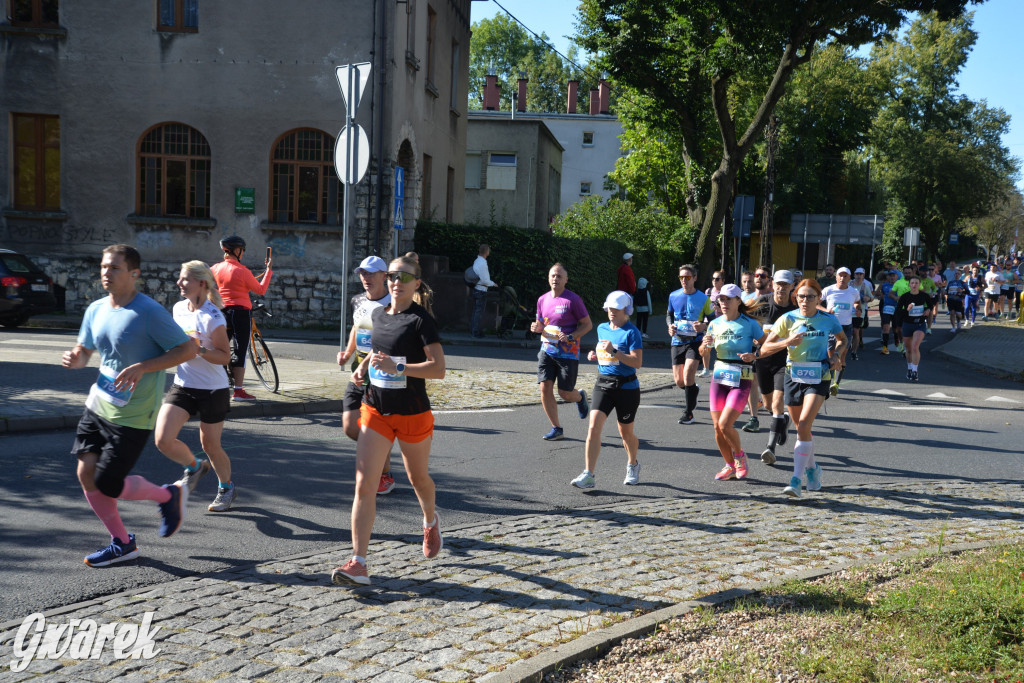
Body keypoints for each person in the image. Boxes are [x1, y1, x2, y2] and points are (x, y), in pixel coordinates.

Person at [62, 244, 197, 566]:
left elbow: (188, 349)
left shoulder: (148, 312)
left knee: (108, 483)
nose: (106, 273)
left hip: (133, 414)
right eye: (104, 267)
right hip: (98, 405)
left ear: (134, 273)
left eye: (114, 268)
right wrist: (75, 358)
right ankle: (122, 542)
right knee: (86, 474)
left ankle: (169, 495)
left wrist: (143, 367)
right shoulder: (96, 309)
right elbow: (85, 351)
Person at [331, 256, 446, 586]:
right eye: (393, 275)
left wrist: (400, 368)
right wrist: (363, 366)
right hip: (376, 409)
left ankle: (429, 521)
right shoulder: (379, 314)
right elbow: (376, 347)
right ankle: (358, 562)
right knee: (364, 484)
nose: (397, 281)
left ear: (416, 284)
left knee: (418, 478)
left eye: (404, 277)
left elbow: (438, 369)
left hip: (412, 412)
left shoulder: (420, 321)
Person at [153, 261, 235, 511]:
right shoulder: (178, 309)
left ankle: (226, 488)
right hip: (183, 385)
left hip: (213, 389)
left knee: (210, 445)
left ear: (201, 283)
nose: (179, 283)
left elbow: (225, 356)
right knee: (163, 439)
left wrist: (198, 349)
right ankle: (195, 467)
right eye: (180, 278)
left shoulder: (213, 317)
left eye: (185, 279)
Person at [758, 278, 845, 498]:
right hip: (793, 375)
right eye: (801, 297)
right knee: (801, 430)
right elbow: (766, 348)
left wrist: (836, 355)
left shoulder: (828, 319)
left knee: (805, 424)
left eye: (810, 297)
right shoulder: (787, 319)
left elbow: (843, 339)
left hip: (819, 375)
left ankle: (796, 480)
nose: (804, 301)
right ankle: (813, 469)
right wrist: (787, 342)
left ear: (819, 299)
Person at [570, 291, 643, 489]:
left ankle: (632, 464)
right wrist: (596, 355)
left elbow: (637, 362)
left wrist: (614, 352)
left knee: (625, 434)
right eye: (609, 308)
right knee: (593, 426)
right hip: (603, 383)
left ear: (626, 310)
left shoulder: (632, 332)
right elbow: (605, 352)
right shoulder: (602, 328)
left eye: (616, 308)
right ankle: (589, 474)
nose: (612, 312)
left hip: (627, 387)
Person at [337, 255, 396, 495]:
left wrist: (365, 364)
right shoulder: (358, 300)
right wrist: (348, 353)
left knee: (375, 428)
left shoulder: (393, 304)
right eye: (362, 273)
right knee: (351, 426)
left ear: (385, 276)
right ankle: (381, 453)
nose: (366, 278)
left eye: (371, 273)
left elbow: (386, 341)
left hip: (381, 375)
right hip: (358, 372)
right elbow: (356, 327)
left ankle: (383, 475)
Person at [700, 284, 767, 481]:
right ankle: (729, 465)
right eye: (721, 299)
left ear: (739, 300)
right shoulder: (714, 323)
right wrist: (704, 346)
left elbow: (767, 345)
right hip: (719, 376)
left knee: (725, 424)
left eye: (729, 299)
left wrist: (754, 355)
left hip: (742, 376)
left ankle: (739, 456)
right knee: (717, 427)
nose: (724, 302)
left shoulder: (749, 324)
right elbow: (703, 351)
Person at [530, 263, 593, 441]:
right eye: (552, 276)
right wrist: (537, 327)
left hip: (567, 353)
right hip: (547, 350)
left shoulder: (573, 300)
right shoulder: (542, 299)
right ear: (548, 278)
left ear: (566, 279)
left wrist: (572, 336)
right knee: (545, 388)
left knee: (565, 393)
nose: (555, 279)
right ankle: (556, 428)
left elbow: (587, 325)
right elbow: (542, 324)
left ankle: (579, 398)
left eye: (559, 276)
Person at [211, 235, 273, 401]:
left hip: (222, 311)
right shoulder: (242, 271)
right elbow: (260, 290)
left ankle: (218, 386)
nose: (243, 253)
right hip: (241, 312)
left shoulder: (215, 268)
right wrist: (268, 271)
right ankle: (238, 391)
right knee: (240, 349)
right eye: (242, 250)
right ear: (237, 251)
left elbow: (208, 285)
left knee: (221, 348)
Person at [754, 269, 797, 465]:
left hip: (785, 361)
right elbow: (745, 319)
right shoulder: (762, 303)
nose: (782, 288)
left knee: (779, 402)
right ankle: (784, 421)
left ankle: (770, 448)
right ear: (773, 284)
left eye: (786, 285)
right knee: (770, 405)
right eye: (779, 284)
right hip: (763, 360)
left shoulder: (796, 308)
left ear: (791, 287)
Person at [667, 264, 715, 425]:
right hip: (677, 341)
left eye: (687, 277)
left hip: (695, 342)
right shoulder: (673, 296)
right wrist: (670, 326)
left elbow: (713, 320)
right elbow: (669, 315)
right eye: (681, 277)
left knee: (688, 374)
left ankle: (688, 413)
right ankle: (693, 389)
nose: (684, 281)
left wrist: (703, 326)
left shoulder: (703, 298)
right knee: (679, 381)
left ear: (694, 278)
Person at [820, 267, 859, 395]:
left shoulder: (854, 291)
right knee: (830, 356)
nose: (842, 278)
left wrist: (857, 308)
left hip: (846, 327)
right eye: (840, 276)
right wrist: (826, 311)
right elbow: (815, 303)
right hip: (831, 326)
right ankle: (827, 382)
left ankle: (835, 384)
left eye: (845, 276)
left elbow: (857, 302)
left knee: (841, 356)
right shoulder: (828, 290)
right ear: (836, 277)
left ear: (849, 278)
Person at [892, 275, 931, 382]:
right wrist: (907, 310)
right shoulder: (904, 297)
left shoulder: (924, 296)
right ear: (909, 285)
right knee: (908, 349)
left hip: (920, 324)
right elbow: (898, 312)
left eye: (916, 283)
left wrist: (927, 310)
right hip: (907, 324)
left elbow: (930, 305)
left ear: (919, 285)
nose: (914, 285)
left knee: (915, 347)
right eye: (912, 283)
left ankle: (915, 371)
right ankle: (909, 368)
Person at [701, 271, 726, 376]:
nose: (714, 281)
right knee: (706, 345)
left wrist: (719, 309)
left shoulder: (726, 292)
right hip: (710, 323)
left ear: (723, 281)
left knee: (722, 347)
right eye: (713, 278)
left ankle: (722, 368)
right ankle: (706, 369)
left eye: (717, 279)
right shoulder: (708, 291)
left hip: (722, 323)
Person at [470, 244, 497, 338]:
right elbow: (485, 280)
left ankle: (474, 330)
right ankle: (476, 332)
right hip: (481, 290)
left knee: (475, 311)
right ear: (486, 252)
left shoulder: (477, 261)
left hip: (476, 288)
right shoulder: (482, 264)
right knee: (479, 312)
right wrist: (493, 284)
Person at [875, 269, 901, 354]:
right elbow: (878, 293)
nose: (892, 277)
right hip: (887, 308)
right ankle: (885, 348)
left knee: (895, 328)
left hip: (896, 308)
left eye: (894, 275)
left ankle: (897, 339)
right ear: (888, 277)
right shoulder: (884, 285)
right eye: (890, 275)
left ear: (897, 277)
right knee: (886, 327)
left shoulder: (900, 285)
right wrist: (882, 297)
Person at [850, 267, 874, 356]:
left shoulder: (865, 286)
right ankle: (847, 345)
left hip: (859, 312)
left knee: (855, 331)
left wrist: (868, 298)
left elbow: (872, 297)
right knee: (849, 331)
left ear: (863, 276)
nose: (858, 276)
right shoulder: (849, 284)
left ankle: (854, 351)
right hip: (848, 311)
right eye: (857, 274)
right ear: (854, 275)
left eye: (860, 274)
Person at [945, 269, 966, 333]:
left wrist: (962, 291)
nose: (956, 275)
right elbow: (946, 291)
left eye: (958, 274)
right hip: (950, 299)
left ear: (960, 275)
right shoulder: (950, 282)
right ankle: (953, 327)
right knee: (952, 313)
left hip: (958, 300)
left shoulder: (962, 283)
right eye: (956, 273)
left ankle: (959, 321)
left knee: (958, 314)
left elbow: (967, 291)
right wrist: (944, 292)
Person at [964, 263, 983, 327]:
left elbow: (985, 285)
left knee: (974, 309)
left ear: (978, 271)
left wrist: (980, 288)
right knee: (966, 308)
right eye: (974, 270)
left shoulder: (980, 278)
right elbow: (963, 284)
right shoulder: (968, 277)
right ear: (972, 271)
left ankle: (972, 321)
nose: (975, 272)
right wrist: (964, 289)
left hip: (976, 296)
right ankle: (967, 319)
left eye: (976, 271)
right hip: (968, 295)